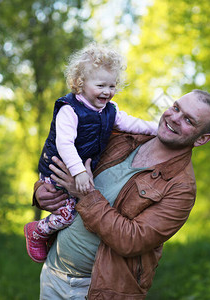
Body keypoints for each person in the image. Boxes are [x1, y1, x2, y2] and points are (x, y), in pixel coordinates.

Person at [33, 89, 210, 299]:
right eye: (176, 107)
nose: (174, 118)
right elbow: (67, 157)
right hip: (53, 273)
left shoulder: (181, 188)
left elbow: (131, 240)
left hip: (97, 290)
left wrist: (85, 195)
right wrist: (41, 190)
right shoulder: (122, 136)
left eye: (188, 120)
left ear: (201, 139)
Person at [24, 43, 157, 263]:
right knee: (68, 213)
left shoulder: (109, 111)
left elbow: (133, 124)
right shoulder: (69, 109)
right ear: (81, 84)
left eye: (112, 85)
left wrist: (157, 128)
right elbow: (64, 143)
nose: (107, 91)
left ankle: (54, 234)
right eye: (101, 85)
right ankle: (38, 230)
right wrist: (78, 172)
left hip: (79, 171)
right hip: (57, 168)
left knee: (76, 208)